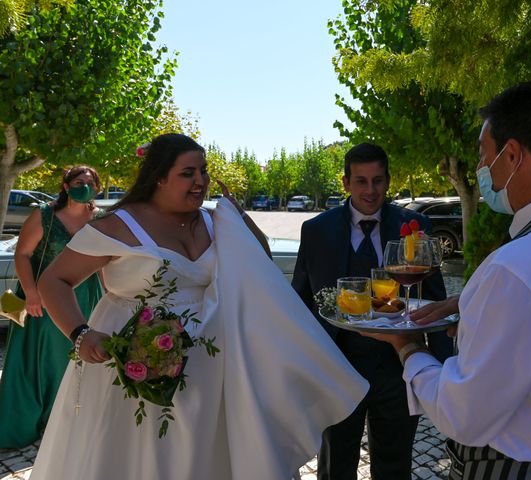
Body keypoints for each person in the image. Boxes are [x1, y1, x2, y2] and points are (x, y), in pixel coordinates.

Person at [30, 133, 368, 480]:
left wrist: (238, 216)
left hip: (213, 371)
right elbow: (53, 281)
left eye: (203, 171)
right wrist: (81, 334)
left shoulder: (213, 221)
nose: (201, 181)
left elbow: (260, 261)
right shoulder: (118, 225)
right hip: (136, 362)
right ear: (159, 177)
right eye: (188, 173)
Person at [366, 82, 531, 480]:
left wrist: (408, 346)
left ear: (512, 156)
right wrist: (475, 309)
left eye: (484, 155)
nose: (480, 169)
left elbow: (461, 413)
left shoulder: (516, 268)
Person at [292, 142, 453, 480]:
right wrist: (299, 366)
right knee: (335, 466)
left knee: (395, 467)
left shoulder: (415, 225)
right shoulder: (316, 230)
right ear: (346, 182)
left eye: (377, 180)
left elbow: (436, 301)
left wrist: (445, 369)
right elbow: (301, 300)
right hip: (337, 365)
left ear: (388, 181)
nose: (370, 190)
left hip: (397, 365)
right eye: (361, 181)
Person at [0, 166, 104, 449]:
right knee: (43, 357)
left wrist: (110, 297)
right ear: (66, 186)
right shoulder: (44, 215)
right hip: (44, 295)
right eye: (78, 181)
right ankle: (34, 421)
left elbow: (106, 261)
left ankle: (69, 422)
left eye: (90, 183)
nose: (84, 186)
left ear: (97, 188)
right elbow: (22, 254)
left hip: (86, 295)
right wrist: (32, 292)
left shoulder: (100, 220)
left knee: (76, 357)